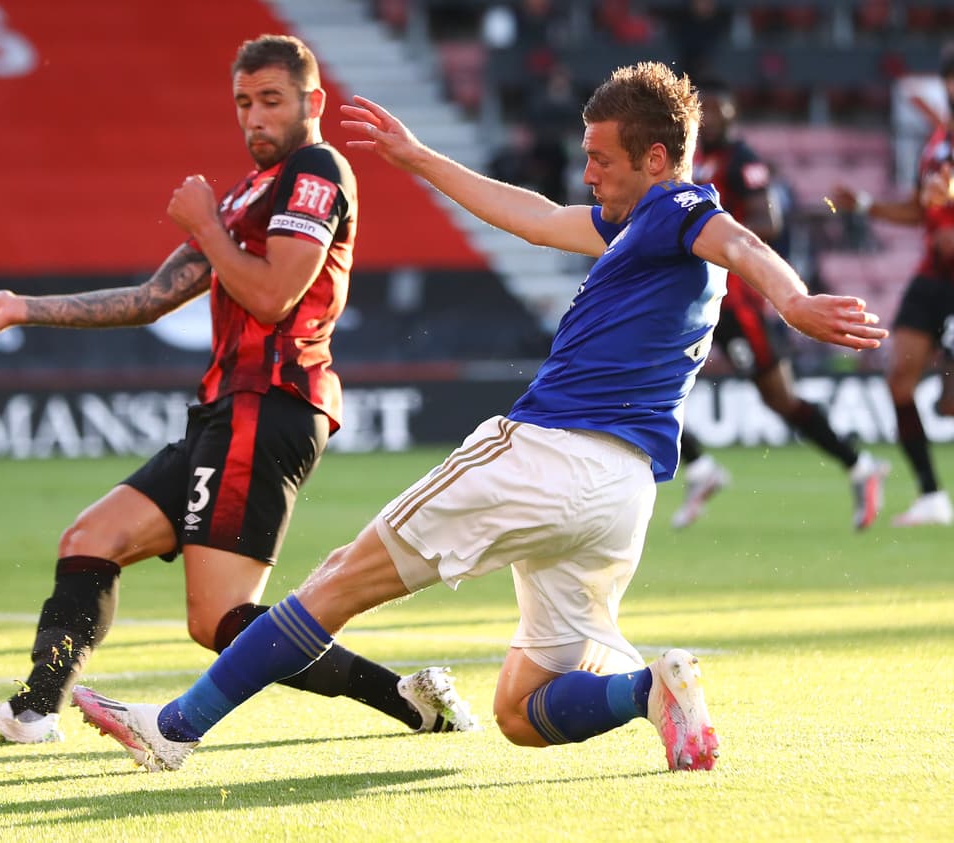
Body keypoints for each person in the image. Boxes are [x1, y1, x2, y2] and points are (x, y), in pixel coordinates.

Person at [67, 62, 887, 773]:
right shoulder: (639, 224)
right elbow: (529, 215)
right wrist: (420, 157)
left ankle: (172, 728)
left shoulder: (678, 210)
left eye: (602, 159)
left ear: (659, 158)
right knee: (520, 708)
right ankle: (649, 689)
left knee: (337, 580)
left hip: (546, 455)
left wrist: (795, 300)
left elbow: (742, 243)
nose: (588, 171)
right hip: (620, 495)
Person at [0, 34, 477, 748]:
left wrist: (210, 228)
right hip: (225, 408)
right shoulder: (247, 191)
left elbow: (277, 296)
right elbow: (153, 298)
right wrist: (21, 306)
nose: (254, 118)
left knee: (218, 619)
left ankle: (407, 699)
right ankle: (33, 711)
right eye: (243, 103)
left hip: (270, 404)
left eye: (271, 101)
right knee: (90, 540)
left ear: (313, 101)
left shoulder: (317, 170)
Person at [673, 81, 889, 530]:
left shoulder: (743, 162)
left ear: (733, 115)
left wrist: (711, 235)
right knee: (650, 373)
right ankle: (699, 469)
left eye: (718, 110)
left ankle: (860, 464)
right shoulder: (698, 159)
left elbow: (767, 222)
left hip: (741, 304)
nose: (710, 118)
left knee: (779, 399)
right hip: (705, 295)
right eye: (703, 111)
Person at [831, 46, 954, 527]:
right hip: (933, 275)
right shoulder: (938, 144)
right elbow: (921, 211)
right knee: (899, 379)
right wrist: (864, 203)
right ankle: (931, 496)